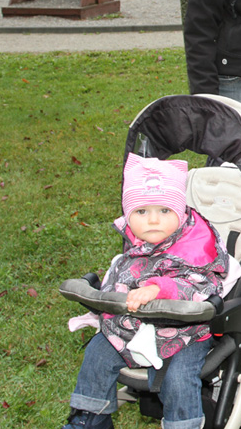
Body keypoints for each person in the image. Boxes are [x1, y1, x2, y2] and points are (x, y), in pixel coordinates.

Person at [63, 154, 232, 429]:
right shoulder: (135, 246)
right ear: (128, 216)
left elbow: (204, 287)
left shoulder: (196, 247)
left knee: (178, 378)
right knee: (97, 352)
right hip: (133, 327)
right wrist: (103, 295)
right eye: (142, 212)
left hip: (186, 334)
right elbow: (121, 278)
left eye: (164, 211)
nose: (153, 220)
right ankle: (90, 417)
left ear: (180, 212)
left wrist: (159, 289)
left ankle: (183, 425)